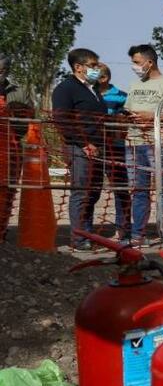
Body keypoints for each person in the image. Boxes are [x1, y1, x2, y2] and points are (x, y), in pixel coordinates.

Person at [125, 44, 163, 247]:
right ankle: (137, 235)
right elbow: (127, 111)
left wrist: (153, 117)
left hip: (161, 145)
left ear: (149, 62)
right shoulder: (134, 86)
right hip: (134, 144)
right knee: (139, 191)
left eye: (136, 62)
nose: (133, 66)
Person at [51, 48, 107, 251]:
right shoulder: (65, 89)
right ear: (78, 67)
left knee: (93, 193)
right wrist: (83, 144)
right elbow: (61, 120)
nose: (96, 69)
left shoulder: (93, 90)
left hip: (98, 148)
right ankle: (78, 237)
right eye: (92, 65)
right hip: (79, 148)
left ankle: (87, 232)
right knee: (81, 192)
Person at [95, 63, 132, 241]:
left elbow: (126, 121)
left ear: (104, 78)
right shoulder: (88, 94)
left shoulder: (122, 96)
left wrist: (117, 123)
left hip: (115, 149)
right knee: (89, 190)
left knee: (120, 188)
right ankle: (85, 233)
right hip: (92, 148)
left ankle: (123, 230)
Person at [0, 54, 34, 242]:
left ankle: (2, 230)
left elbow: (30, 118)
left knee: (8, 191)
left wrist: (18, 116)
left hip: (11, 150)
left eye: (3, 70)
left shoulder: (19, 92)